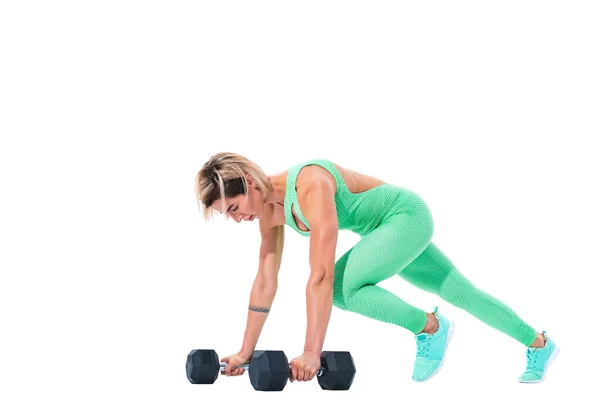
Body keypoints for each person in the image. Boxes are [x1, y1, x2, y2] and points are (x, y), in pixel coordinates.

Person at [194, 152, 559, 384]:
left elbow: (321, 276)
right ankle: (539, 343)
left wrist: (311, 353)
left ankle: (430, 328)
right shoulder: (269, 213)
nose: (238, 219)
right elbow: (265, 279)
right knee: (461, 292)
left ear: (249, 183)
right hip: (384, 231)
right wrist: (245, 350)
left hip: (404, 216)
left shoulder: (309, 184)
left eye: (233, 208)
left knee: (339, 289)